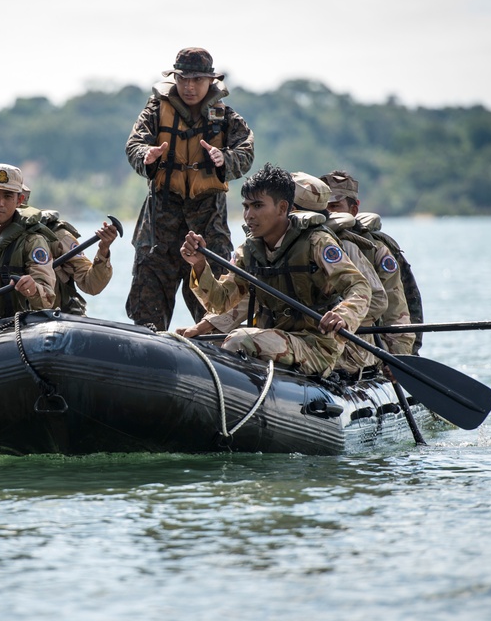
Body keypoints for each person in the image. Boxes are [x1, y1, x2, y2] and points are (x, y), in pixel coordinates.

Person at [180, 164, 371, 377]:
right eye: (246, 206)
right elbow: (221, 302)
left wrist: (342, 315)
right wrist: (198, 265)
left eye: (258, 206)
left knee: (239, 340)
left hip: (316, 346)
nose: (248, 215)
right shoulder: (250, 251)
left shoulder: (317, 242)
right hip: (274, 339)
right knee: (206, 345)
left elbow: (359, 286)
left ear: (282, 208)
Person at [125, 47, 255, 330]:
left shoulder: (227, 117)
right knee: (147, 310)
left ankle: (215, 356)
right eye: (183, 79)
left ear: (210, 80)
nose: (189, 86)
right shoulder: (156, 111)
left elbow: (246, 152)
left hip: (208, 222)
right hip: (160, 223)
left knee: (216, 309)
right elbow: (134, 145)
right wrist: (146, 157)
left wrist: (226, 159)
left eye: (197, 80)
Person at [321, 170, 424, 354]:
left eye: (335, 206)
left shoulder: (375, 250)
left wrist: (398, 357)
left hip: (366, 344)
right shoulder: (311, 244)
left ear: (353, 209)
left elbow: (397, 311)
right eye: (324, 207)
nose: (329, 213)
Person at [19, 184, 118, 315]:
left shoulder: (56, 236)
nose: (0, 204)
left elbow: (91, 284)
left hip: (50, 320)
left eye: (8, 197)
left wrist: (103, 250)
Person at [0, 164, 58, 321]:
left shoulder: (31, 241)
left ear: (19, 200)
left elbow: (47, 300)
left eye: (7, 196)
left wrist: (33, 289)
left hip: (12, 330)